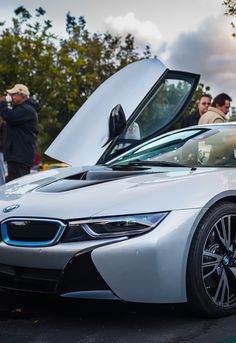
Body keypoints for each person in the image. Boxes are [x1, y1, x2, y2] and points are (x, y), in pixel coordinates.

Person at [0, 84, 38, 182]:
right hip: (17, 155)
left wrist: (2, 103)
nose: (11, 97)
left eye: (13, 94)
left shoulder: (27, 110)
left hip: (20, 156)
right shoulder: (22, 109)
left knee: (18, 186)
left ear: (21, 95)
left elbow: (9, 116)